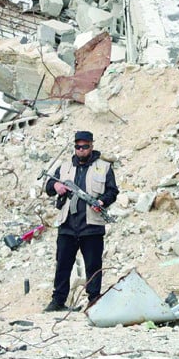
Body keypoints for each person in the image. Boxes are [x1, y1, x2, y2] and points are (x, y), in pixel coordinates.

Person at [43, 131, 119, 312]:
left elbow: (112, 191)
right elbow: (48, 186)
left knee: (93, 265)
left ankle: (94, 301)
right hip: (67, 225)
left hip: (91, 225)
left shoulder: (104, 167)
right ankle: (58, 301)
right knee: (63, 264)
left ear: (92, 146)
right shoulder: (64, 167)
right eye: (78, 147)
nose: (81, 150)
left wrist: (102, 202)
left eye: (85, 146)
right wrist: (56, 186)